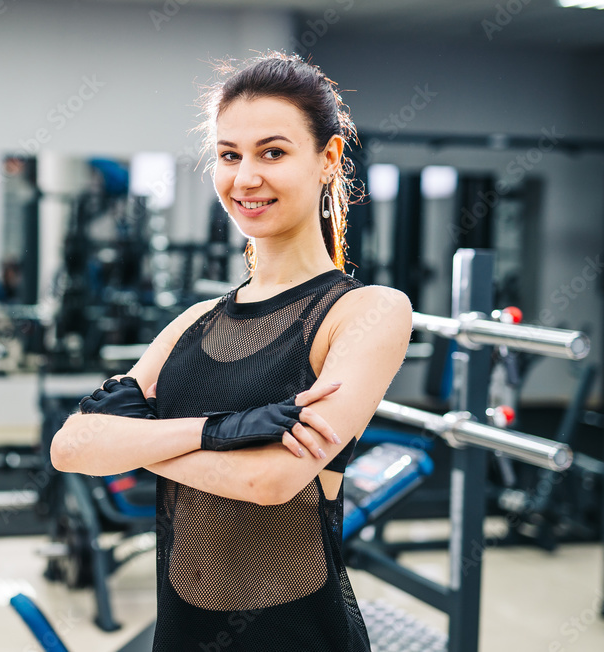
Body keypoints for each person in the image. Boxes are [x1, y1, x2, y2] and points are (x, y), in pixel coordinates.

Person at [51, 51, 413, 651]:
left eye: (273, 152)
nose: (246, 178)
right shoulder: (195, 321)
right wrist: (227, 432)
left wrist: (137, 445)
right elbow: (71, 446)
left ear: (329, 159)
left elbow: (274, 482)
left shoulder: (366, 311)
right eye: (229, 155)